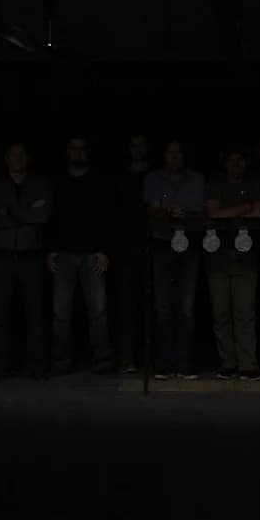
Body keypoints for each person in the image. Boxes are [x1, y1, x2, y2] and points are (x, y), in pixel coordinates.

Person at [48, 137, 116, 374]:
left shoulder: (99, 180)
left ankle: (102, 360)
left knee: (98, 311)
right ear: (67, 152)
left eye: (81, 148)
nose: (77, 153)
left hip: (92, 254)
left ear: (88, 152)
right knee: (60, 313)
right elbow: (52, 216)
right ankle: (61, 361)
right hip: (64, 254)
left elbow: (109, 216)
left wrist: (104, 251)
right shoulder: (59, 181)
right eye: (73, 148)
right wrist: (52, 249)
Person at [0, 142, 53, 379]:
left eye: (22, 154)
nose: (18, 158)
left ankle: (38, 367)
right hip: (2, 256)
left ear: (28, 158)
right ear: (6, 158)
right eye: (13, 154)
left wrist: (10, 212)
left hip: (31, 256)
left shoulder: (41, 183)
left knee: (35, 314)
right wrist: (27, 213)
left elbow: (43, 216)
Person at [143, 141, 205, 380]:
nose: (175, 157)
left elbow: (200, 209)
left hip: (189, 245)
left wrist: (183, 213)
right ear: (165, 156)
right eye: (170, 152)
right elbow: (153, 208)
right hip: (161, 245)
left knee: (186, 308)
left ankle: (184, 363)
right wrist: (169, 212)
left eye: (178, 152)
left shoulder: (197, 179)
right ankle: (164, 364)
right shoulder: (153, 178)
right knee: (163, 307)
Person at [206, 147, 260, 380]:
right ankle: (228, 364)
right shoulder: (216, 182)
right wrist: (243, 208)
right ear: (225, 163)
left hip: (246, 257)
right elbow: (213, 213)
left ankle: (247, 365)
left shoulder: (255, 182)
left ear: (246, 161)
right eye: (232, 159)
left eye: (240, 158)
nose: (236, 163)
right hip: (217, 256)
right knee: (220, 312)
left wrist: (227, 212)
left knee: (244, 312)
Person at [118, 134, 151, 374]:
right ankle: (127, 358)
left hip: (153, 247)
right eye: (134, 144)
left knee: (152, 305)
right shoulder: (121, 177)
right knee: (127, 307)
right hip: (127, 250)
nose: (137, 148)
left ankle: (150, 357)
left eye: (141, 144)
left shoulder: (155, 176)